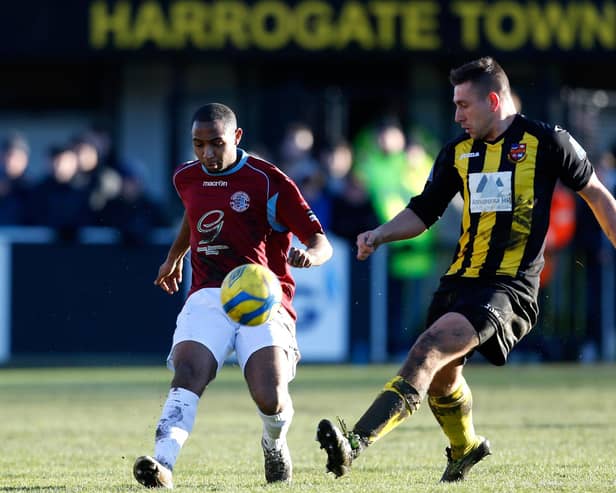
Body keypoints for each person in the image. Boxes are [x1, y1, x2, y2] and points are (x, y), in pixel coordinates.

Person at [316, 56, 616, 483]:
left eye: (463, 105)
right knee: (440, 380)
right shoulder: (458, 152)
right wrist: (379, 234)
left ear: (494, 100)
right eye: (454, 105)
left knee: (427, 348)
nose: (456, 115)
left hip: (508, 288)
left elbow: (599, 197)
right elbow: (424, 212)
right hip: (459, 280)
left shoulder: (548, 142)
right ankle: (465, 448)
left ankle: (354, 442)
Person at [133, 103, 333, 488]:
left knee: (270, 396)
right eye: (198, 144)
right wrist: (175, 257)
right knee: (189, 373)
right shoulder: (186, 177)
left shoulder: (270, 180)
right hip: (208, 293)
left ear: (237, 138)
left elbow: (320, 240)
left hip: (263, 299)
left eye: (216, 144)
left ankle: (274, 443)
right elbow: (193, 214)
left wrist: (311, 256)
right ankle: (163, 464)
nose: (206, 153)